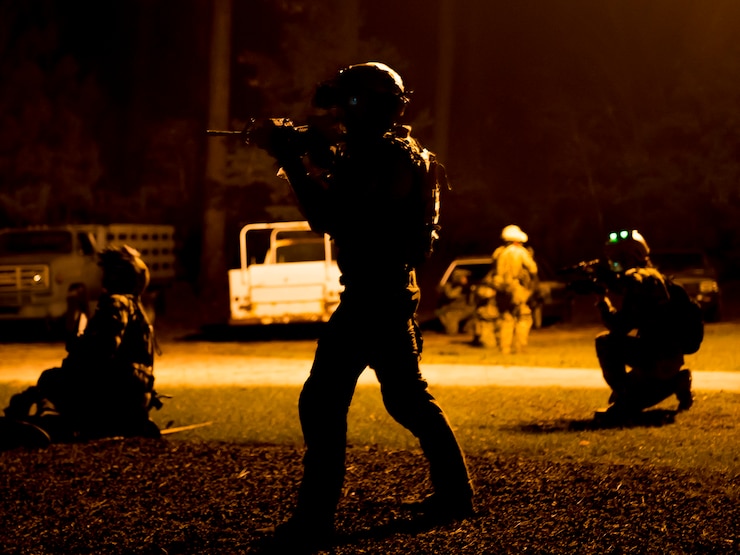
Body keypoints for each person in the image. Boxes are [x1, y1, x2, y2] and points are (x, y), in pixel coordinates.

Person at [252, 61, 474, 551]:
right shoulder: (401, 153)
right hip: (391, 290)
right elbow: (352, 182)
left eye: (348, 102)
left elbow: (331, 215)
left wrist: (289, 158)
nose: (340, 112)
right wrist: (307, 147)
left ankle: (314, 519)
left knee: (322, 400)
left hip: (373, 295)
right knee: (407, 399)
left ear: (365, 106)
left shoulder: (382, 158)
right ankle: (456, 495)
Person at [2, 245, 161, 446]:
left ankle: (50, 424)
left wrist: (75, 352)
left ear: (112, 277)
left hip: (114, 395)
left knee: (51, 379)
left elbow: (101, 350)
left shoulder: (116, 303)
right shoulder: (136, 307)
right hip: (133, 399)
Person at [594, 229, 694, 421]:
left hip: (656, 358)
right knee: (629, 389)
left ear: (629, 257)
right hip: (668, 355)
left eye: (617, 259)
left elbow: (618, 326)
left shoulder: (639, 280)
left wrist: (602, 301)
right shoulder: (655, 277)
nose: (614, 264)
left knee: (605, 342)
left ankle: (626, 401)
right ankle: (677, 381)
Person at [490, 224, 538, 354]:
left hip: (501, 289)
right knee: (524, 316)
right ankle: (520, 347)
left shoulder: (498, 252)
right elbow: (533, 269)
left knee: (506, 317)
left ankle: (504, 348)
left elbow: (494, 270)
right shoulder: (520, 252)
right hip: (516, 288)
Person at [436, 268, 474, 334]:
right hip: (453, 310)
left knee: (451, 317)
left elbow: (451, 295)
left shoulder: (464, 287)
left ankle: (464, 329)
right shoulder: (455, 286)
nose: (465, 279)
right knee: (442, 315)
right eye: (463, 277)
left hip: (463, 309)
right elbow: (449, 295)